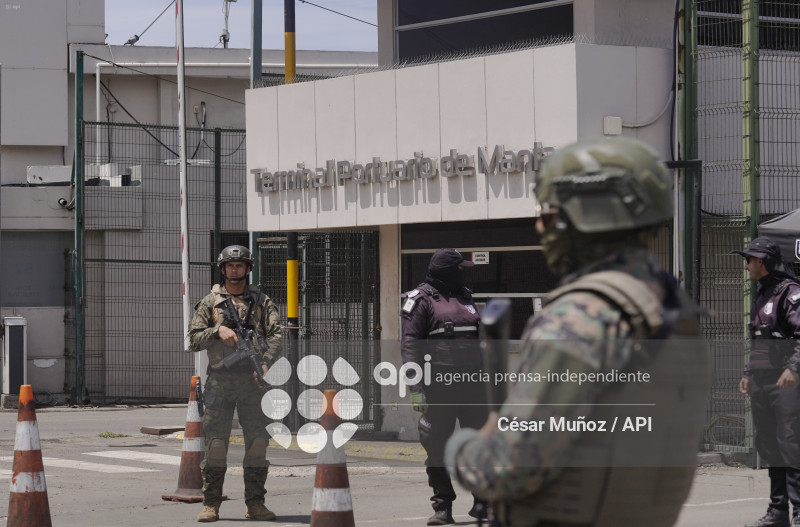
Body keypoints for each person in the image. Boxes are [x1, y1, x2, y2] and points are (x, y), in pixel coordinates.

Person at [445, 136, 709, 526]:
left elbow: (508, 468)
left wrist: (463, 447)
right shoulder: (673, 308)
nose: (539, 227)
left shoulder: (581, 318)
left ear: (587, 215)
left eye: (549, 215)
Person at [189, 245, 282, 523]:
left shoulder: (262, 301)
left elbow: (276, 335)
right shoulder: (210, 302)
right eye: (230, 266)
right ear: (222, 269)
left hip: (253, 382)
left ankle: (255, 505)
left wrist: (265, 362)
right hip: (221, 381)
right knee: (216, 445)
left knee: (257, 444)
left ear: (248, 268)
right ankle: (211, 505)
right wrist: (218, 331)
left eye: (240, 265)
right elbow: (193, 338)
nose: (234, 270)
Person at [401, 248, 490, 525]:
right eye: (458, 268)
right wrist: (415, 386)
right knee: (436, 445)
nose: (462, 272)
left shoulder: (465, 295)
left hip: (472, 383)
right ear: (445, 270)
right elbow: (410, 345)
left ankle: (482, 502)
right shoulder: (419, 300)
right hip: (439, 383)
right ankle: (443, 507)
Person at [734, 237, 800, 527]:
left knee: (790, 444)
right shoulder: (761, 294)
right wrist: (748, 373)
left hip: (785, 382)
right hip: (761, 381)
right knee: (769, 446)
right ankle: (777, 512)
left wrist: (794, 368)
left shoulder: (790, 292)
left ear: (761, 262)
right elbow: (758, 340)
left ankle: (799, 510)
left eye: (749, 260)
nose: (746, 265)